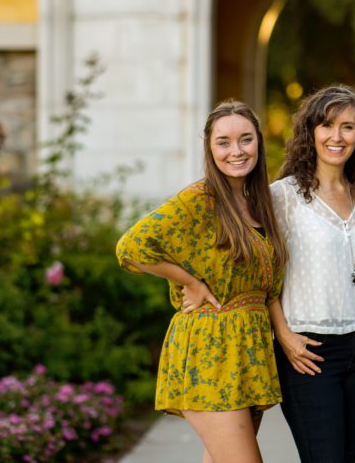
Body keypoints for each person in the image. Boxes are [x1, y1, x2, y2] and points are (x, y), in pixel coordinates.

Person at [116, 99, 287, 463]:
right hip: (208, 351)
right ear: (210, 148)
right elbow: (130, 247)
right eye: (223, 142)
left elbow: (269, 286)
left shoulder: (260, 203)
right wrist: (189, 281)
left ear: (258, 141)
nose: (236, 151)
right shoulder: (200, 199)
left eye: (245, 139)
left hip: (247, 353)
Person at [267, 85, 355, 462]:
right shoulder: (282, 196)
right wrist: (283, 335)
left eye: (348, 127)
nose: (337, 136)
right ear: (310, 132)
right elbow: (258, 272)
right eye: (327, 125)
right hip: (308, 349)